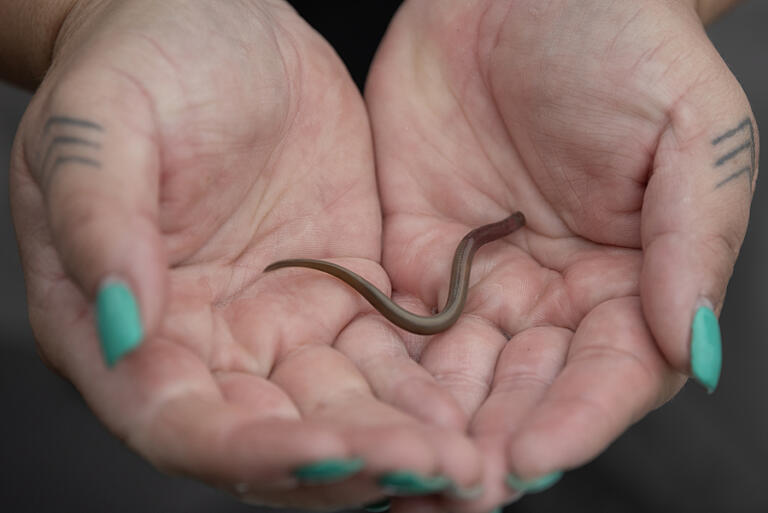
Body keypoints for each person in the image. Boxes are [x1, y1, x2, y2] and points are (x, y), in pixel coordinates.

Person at [0, 0, 755, 511]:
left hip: (532, 131)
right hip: (216, 181)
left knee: (585, 381)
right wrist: (85, 12)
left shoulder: (512, 225)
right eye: (500, 232)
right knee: (178, 398)